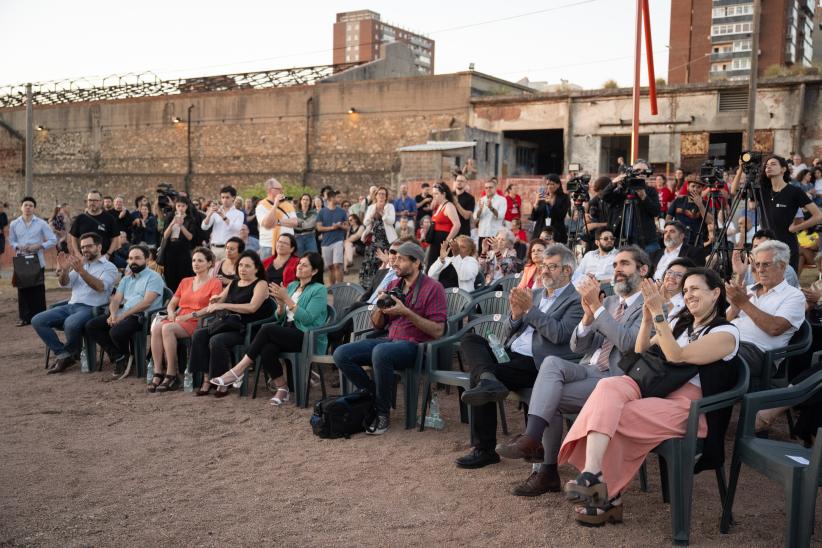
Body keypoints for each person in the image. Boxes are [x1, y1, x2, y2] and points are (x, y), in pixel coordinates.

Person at [558, 269, 740, 526]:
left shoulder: (726, 333)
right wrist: (646, 319)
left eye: (695, 289)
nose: (689, 295)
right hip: (658, 388)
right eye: (686, 290)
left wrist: (658, 313)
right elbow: (641, 351)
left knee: (620, 416)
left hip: (692, 407)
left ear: (716, 293)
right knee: (608, 387)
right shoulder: (682, 324)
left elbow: (676, 356)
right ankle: (592, 473)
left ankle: (609, 497)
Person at [494, 246, 647, 497]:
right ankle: (533, 443)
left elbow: (629, 344)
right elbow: (579, 345)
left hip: (616, 379)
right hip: (588, 367)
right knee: (551, 364)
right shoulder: (608, 302)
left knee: (546, 396)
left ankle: (546, 468)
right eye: (616, 264)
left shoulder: (646, 306)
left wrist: (596, 310)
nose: (618, 270)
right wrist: (588, 320)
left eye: (625, 265)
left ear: (642, 270)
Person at [455, 244, 584, 474]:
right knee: (471, 340)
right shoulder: (534, 293)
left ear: (567, 271)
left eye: (552, 267)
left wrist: (530, 311)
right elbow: (507, 331)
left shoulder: (576, 301)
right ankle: (488, 379)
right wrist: (515, 315)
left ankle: (484, 449)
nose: (544, 271)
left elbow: (560, 334)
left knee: (483, 376)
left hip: (537, 363)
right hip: (510, 354)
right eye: (543, 266)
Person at [334, 242, 446, 435]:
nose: (395, 263)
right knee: (341, 353)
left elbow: (438, 331)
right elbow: (378, 325)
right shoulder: (395, 284)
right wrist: (380, 305)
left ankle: (382, 414)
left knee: (381, 352)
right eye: (395, 258)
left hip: (417, 346)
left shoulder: (433, 287)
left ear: (416, 262)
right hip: (390, 340)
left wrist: (406, 312)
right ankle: (374, 396)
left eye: (401, 259)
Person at [209, 253, 329, 405]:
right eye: (299, 263)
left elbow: (308, 319)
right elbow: (280, 317)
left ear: (315, 271)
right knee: (267, 348)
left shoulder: (319, 290)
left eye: (304, 265)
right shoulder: (292, 286)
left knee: (267, 329)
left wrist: (286, 299)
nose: (299, 266)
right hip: (288, 331)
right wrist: (280, 304)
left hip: (307, 335)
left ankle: (238, 371)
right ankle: (282, 388)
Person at [189, 251, 273, 396]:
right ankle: (207, 378)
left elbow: (252, 307)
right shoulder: (234, 282)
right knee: (199, 334)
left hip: (250, 330)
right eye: (240, 265)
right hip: (231, 325)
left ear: (257, 268)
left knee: (217, 340)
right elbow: (219, 301)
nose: (243, 269)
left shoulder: (261, 284)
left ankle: (222, 382)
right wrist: (215, 299)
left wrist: (225, 306)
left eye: (247, 266)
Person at [33, 233, 118, 373]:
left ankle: (69, 354)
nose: (85, 250)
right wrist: (65, 271)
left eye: (89, 246)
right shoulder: (79, 264)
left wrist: (81, 271)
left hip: (92, 308)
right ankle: (64, 355)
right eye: (83, 247)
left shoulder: (109, 267)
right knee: (37, 320)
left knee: (70, 323)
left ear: (99, 247)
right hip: (71, 305)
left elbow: (100, 287)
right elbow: (64, 283)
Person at [725, 239, 805, 384]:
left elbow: (775, 328)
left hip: (755, 353)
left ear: (782, 266)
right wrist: (736, 307)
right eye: (757, 264)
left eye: (766, 264)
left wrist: (743, 303)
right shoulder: (747, 290)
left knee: (711, 358)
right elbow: (722, 323)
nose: (760, 269)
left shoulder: (794, 295)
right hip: (725, 341)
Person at [148, 247, 222, 392]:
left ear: (209, 264)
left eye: (200, 260)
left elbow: (211, 307)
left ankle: (172, 374)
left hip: (199, 320)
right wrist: (170, 312)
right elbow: (172, 303)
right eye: (194, 260)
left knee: (167, 328)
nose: (196, 263)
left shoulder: (215, 283)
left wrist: (190, 315)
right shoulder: (185, 281)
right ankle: (158, 372)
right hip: (179, 318)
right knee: (157, 327)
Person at [85, 245, 165, 379]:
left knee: (116, 331)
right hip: (124, 314)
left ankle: (128, 358)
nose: (133, 261)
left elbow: (146, 303)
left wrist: (122, 316)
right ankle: (120, 356)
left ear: (147, 259)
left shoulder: (154, 277)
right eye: (131, 258)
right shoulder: (126, 279)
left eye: (138, 258)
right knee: (91, 326)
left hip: (143, 316)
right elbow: (116, 300)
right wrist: (113, 314)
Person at [757, 155, 822, 271]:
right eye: (766, 166)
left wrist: (797, 228)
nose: (768, 167)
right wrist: (741, 169)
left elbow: (818, 216)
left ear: (783, 169)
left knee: (787, 285)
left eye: (773, 164)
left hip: (786, 247)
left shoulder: (794, 191)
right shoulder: (762, 190)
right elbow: (733, 191)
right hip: (765, 247)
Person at [9, 196, 58, 326]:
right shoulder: (14, 224)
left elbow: (53, 240)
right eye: (26, 205)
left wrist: (40, 245)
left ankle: (40, 317)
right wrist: (17, 246)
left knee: (38, 289)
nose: (28, 207)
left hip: (37, 260)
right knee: (23, 290)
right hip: (21, 261)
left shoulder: (42, 223)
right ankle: (24, 318)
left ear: (34, 208)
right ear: (21, 207)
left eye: (31, 205)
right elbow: (11, 241)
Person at [603, 161, 661, 254]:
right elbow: (605, 197)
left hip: (645, 240)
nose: (641, 173)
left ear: (648, 174)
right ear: (631, 171)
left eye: (644, 171)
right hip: (622, 238)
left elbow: (656, 212)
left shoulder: (651, 191)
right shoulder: (623, 189)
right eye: (638, 170)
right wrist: (614, 182)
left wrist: (644, 196)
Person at [732, 229, 800, 288]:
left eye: (763, 247)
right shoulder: (746, 269)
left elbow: (775, 298)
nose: (758, 251)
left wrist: (755, 273)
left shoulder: (785, 269)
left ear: (773, 249)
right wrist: (740, 275)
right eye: (756, 247)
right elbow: (735, 297)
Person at [159, 197, 200, 293]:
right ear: (175, 206)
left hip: (183, 251)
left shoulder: (190, 219)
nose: (180, 208)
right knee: (170, 276)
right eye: (178, 206)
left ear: (187, 206)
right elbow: (165, 235)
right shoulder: (170, 216)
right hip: (170, 250)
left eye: (183, 206)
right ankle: (172, 297)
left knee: (184, 276)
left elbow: (190, 237)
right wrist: (173, 222)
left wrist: (181, 225)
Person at [361, 187, 396, 288]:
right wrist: (372, 214)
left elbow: (392, 221)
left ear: (386, 196)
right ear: (375, 196)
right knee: (371, 263)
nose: (381, 196)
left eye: (383, 194)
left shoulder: (390, 206)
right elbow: (365, 222)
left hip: (386, 240)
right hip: (373, 240)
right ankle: (370, 286)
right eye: (379, 194)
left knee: (384, 263)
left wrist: (383, 215)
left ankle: (384, 285)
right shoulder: (371, 207)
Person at [68, 190, 119, 259]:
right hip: (84, 259)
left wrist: (108, 254)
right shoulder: (80, 218)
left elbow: (115, 238)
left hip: (104, 259)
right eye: (90, 200)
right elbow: (73, 237)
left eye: (95, 200)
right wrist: (78, 254)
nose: (92, 203)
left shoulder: (109, 218)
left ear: (101, 202)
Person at [202, 185, 245, 261]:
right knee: (213, 272)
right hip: (214, 248)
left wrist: (223, 216)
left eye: (227, 197)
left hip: (229, 250)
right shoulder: (215, 211)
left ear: (233, 198)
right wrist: (209, 215)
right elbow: (204, 227)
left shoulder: (239, 213)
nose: (225, 200)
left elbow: (236, 229)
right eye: (223, 197)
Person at [665, 176, 710, 248]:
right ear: (688, 187)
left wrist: (700, 205)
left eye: (698, 187)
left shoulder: (705, 203)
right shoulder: (679, 200)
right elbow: (668, 218)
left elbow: (710, 221)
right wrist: (672, 231)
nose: (695, 189)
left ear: (702, 189)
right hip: (678, 239)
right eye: (693, 186)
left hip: (696, 241)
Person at [425, 182, 461, 268]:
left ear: (443, 194)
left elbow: (457, 225)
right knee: (432, 266)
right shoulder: (439, 205)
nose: (434, 196)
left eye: (436, 194)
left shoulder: (448, 206)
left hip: (443, 241)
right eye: (433, 194)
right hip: (436, 241)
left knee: (440, 267)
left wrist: (447, 241)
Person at [316, 190, 349, 285]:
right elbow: (319, 227)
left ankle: (340, 288)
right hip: (326, 243)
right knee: (330, 268)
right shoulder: (322, 212)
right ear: (331, 198)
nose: (339, 199)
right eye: (337, 197)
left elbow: (347, 227)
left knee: (337, 265)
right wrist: (332, 227)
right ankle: (332, 288)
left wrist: (340, 226)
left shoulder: (342, 212)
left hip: (338, 241)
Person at [474, 178, 508, 248]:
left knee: (494, 257)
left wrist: (491, 208)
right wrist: (480, 210)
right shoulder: (481, 199)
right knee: (482, 257)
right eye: (486, 188)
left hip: (495, 235)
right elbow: (475, 216)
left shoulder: (502, 200)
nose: (488, 189)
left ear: (495, 188)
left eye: (490, 187)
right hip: (482, 234)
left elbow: (501, 216)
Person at [0, 202, 7, 266]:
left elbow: (5, 225)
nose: (1, 208)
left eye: (2, 207)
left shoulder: (3, 215)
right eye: (0, 207)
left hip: (1, 236)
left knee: (0, 252)